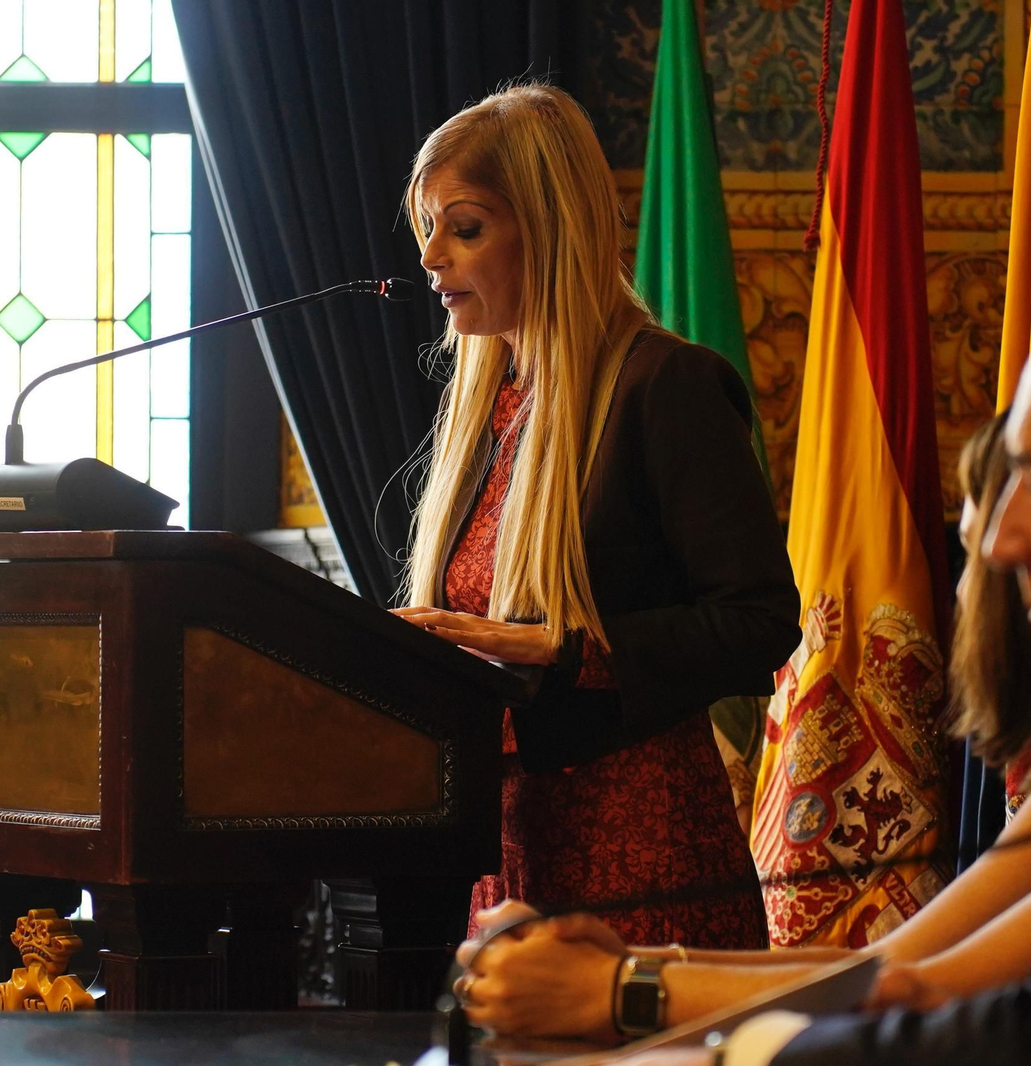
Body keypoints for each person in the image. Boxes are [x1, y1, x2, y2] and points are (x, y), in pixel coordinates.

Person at [449, 409, 1031, 1044]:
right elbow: (882, 965)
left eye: (975, 553)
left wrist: (617, 988)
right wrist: (625, 962)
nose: (958, 593)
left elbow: (911, 990)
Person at [614, 280, 1031, 1064]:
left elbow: (965, 1000)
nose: (995, 555)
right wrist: (634, 979)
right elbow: (903, 980)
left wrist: (632, 994)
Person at [388, 82, 799, 951]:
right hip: (506, 845)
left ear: (548, 229)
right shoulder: (488, 408)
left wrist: (564, 647)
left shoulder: (666, 385)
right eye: (427, 227)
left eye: (464, 227)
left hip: (638, 846)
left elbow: (759, 622)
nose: (430, 256)